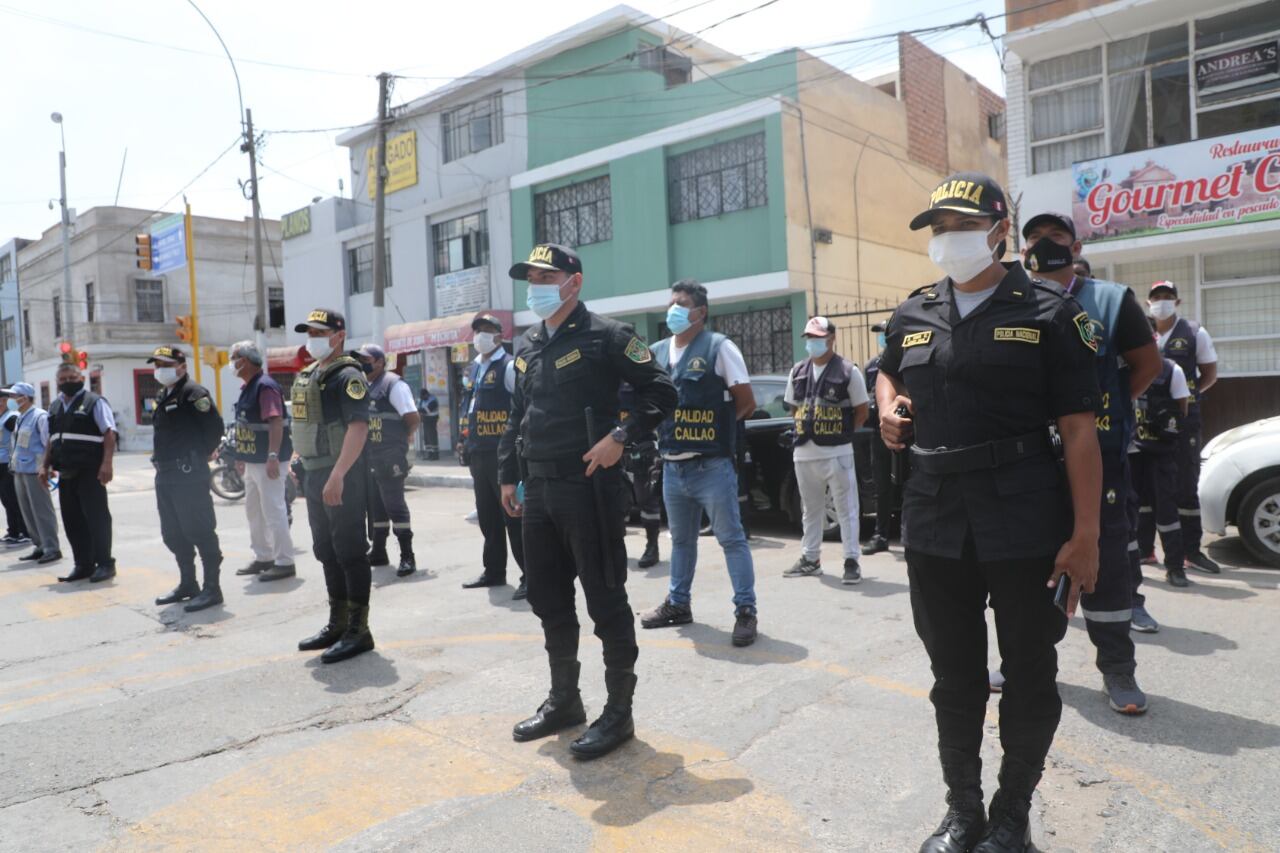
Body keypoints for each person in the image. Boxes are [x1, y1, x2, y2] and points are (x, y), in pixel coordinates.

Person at [878, 173, 1102, 853]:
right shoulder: (912, 312)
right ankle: (963, 811)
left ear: (1001, 232)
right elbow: (886, 367)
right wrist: (889, 404)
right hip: (935, 514)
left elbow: (1081, 430)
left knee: (1029, 672)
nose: (949, 241)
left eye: (962, 227)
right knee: (954, 676)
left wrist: (1086, 534)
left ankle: (1012, 814)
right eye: (939, 229)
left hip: (1025, 516)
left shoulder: (1050, 314)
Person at [498, 243, 676, 760]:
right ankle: (565, 701)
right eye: (530, 276)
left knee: (604, 599)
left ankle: (618, 713)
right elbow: (519, 415)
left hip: (589, 487)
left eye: (545, 276)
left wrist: (621, 436)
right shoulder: (528, 344)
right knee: (546, 597)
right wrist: (509, 475)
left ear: (574, 282)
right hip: (539, 489)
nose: (536, 285)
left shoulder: (608, 336)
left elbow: (661, 391)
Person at [1022, 211, 1162, 716]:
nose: (1044, 245)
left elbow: (1148, 365)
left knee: (1102, 565)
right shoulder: (1013, 304)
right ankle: (1024, 662)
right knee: (1028, 569)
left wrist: (1107, 407)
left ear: (1074, 245)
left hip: (1098, 456)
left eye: (1055, 237)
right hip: (1033, 461)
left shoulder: (1109, 300)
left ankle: (1118, 670)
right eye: (1035, 238)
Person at [639, 280, 759, 647]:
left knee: (731, 540)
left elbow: (746, 401)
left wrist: (715, 434)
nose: (673, 308)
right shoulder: (657, 351)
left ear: (700, 312)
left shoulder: (719, 347)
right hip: (672, 468)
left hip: (711, 467)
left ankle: (745, 611)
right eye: (671, 302)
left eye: (682, 303)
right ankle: (678, 603)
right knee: (680, 542)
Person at [291, 308, 374, 664]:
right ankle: (337, 623)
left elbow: (358, 427)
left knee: (349, 549)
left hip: (342, 473)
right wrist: (299, 458)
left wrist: (338, 474)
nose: (313, 338)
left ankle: (359, 630)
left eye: (320, 332)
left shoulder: (348, 375)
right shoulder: (310, 374)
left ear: (339, 335)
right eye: (309, 332)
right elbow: (306, 423)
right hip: (313, 472)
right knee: (325, 548)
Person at [783, 316, 870, 584]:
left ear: (831, 339)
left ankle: (851, 560)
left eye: (818, 338)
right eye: (810, 338)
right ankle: (810, 558)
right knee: (811, 509)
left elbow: (862, 411)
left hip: (837, 452)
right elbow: (794, 407)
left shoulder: (847, 371)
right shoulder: (797, 370)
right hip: (804, 451)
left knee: (847, 508)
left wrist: (841, 435)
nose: (813, 343)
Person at [1148, 281, 1220, 575]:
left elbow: (1210, 373)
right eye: (1157, 297)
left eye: (1167, 297)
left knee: (1186, 485)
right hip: (1147, 422)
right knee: (1144, 487)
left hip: (1184, 422)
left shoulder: (1193, 332)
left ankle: (1191, 551)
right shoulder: (1141, 331)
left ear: (1177, 302)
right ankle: (1145, 550)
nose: (1162, 302)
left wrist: (1188, 399)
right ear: (1147, 303)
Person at [147, 347, 226, 612]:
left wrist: (199, 455)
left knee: (199, 530)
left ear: (181, 365)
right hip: (166, 474)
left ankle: (212, 588)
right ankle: (188, 583)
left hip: (188, 473)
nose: (160, 369)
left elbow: (215, 428)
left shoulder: (194, 393)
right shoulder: (162, 394)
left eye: (165, 364)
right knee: (173, 532)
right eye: (157, 364)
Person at [459, 313, 526, 599]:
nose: (479, 336)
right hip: (478, 452)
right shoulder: (473, 368)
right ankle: (494, 571)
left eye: (486, 331)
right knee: (488, 516)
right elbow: (470, 407)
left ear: (500, 335)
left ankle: (531, 576)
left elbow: (522, 407)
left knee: (514, 517)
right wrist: (464, 442)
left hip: (504, 453)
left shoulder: (509, 366)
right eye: (476, 331)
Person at [42, 362, 116, 583]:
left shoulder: (94, 402)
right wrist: (44, 465)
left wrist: (107, 463)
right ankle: (83, 564)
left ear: (81, 378)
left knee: (97, 519)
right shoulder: (54, 407)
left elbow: (109, 433)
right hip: (66, 472)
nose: (67, 383)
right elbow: (51, 440)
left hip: (90, 471)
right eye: (62, 380)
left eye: (72, 378)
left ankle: (104, 563)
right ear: (57, 382)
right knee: (73, 521)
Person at [229, 340, 296, 583]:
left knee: (273, 510)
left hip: (268, 460)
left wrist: (272, 456)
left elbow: (275, 421)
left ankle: (284, 561)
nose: (232, 362)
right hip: (252, 461)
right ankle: (264, 556)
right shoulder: (248, 386)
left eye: (234, 357)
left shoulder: (265, 386)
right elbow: (246, 426)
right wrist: (241, 455)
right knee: (254, 511)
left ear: (245, 360)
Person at [1131, 358, 1190, 614]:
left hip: (1160, 451)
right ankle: (1144, 552)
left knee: (1166, 510)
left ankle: (1175, 567)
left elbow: (1182, 410)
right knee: (1136, 508)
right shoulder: (1123, 367)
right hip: (1132, 450)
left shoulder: (1171, 370)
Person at [358, 343, 421, 578]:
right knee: (376, 507)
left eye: (367, 359)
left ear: (380, 362)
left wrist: (400, 441)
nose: (362, 363)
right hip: (371, 456)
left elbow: (413, 418)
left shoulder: (393, 384)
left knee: (394, 505)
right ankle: (379, 551)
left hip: (391, 456)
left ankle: (407, 555)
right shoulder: (365, 386)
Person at [4, 383, 60, 564]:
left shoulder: (39, 417)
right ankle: (40, 545)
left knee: (42, 510)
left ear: (25, 397)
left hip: (35, 471)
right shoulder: (20, 418)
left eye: (15, 396)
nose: (13, 400)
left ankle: (52, 547)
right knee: (28, 511)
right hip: (19, 469)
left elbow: (48, 444)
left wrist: (48, 468)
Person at [619, 382, 663, 568]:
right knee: (615, 502)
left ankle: (652, 546)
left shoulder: (640, 378)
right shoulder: (604, 378)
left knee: (645, 498)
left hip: (641, 447)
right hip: (612, 449)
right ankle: (616, 548)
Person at [862, 322, 893, 556]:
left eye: (884, 333)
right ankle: (881, 535)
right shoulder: (872, 366)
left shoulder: (907, 359)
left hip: (904, 431)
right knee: (881, 486)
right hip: (878, 432)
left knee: (909, 483)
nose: (881, 337)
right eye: (879, 334)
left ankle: (908, 532)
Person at [0, 395, 30, 547]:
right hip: (0, 463)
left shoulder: (11, 418)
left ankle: (25, 532)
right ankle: (13, 531)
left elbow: (22, 437)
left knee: (14, 498)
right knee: (5, 499)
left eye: (2, 400)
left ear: (6, 401)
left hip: (8, 463)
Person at [418, 387, 440, 461]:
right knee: (427, 438)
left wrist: (419, 410)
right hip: (425, 420)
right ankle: (429, 454)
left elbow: (426, 410)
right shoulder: (422, 400)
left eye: (423, 396)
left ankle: (435, 455)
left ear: (427, 394)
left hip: (432, 420)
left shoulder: (433, 400)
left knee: (432, 437)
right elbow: (419, 408)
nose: (422, 398)